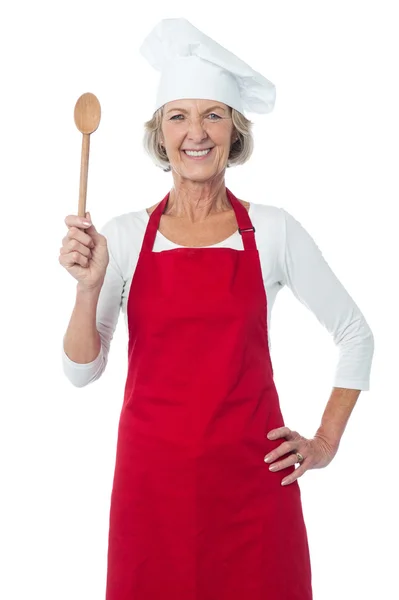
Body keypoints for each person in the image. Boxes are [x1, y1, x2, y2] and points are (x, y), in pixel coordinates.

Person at [59, 18, 374, 600]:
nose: (196, 132)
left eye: (214, 114)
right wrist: (87, 288)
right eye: (178, 116)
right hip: (152, 491)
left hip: (253, 489)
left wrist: (325, 442)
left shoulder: (273, 230)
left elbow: (356, 334)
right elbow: (82, 371)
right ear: (160, 134)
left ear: (234, 130)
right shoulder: (125, 237)